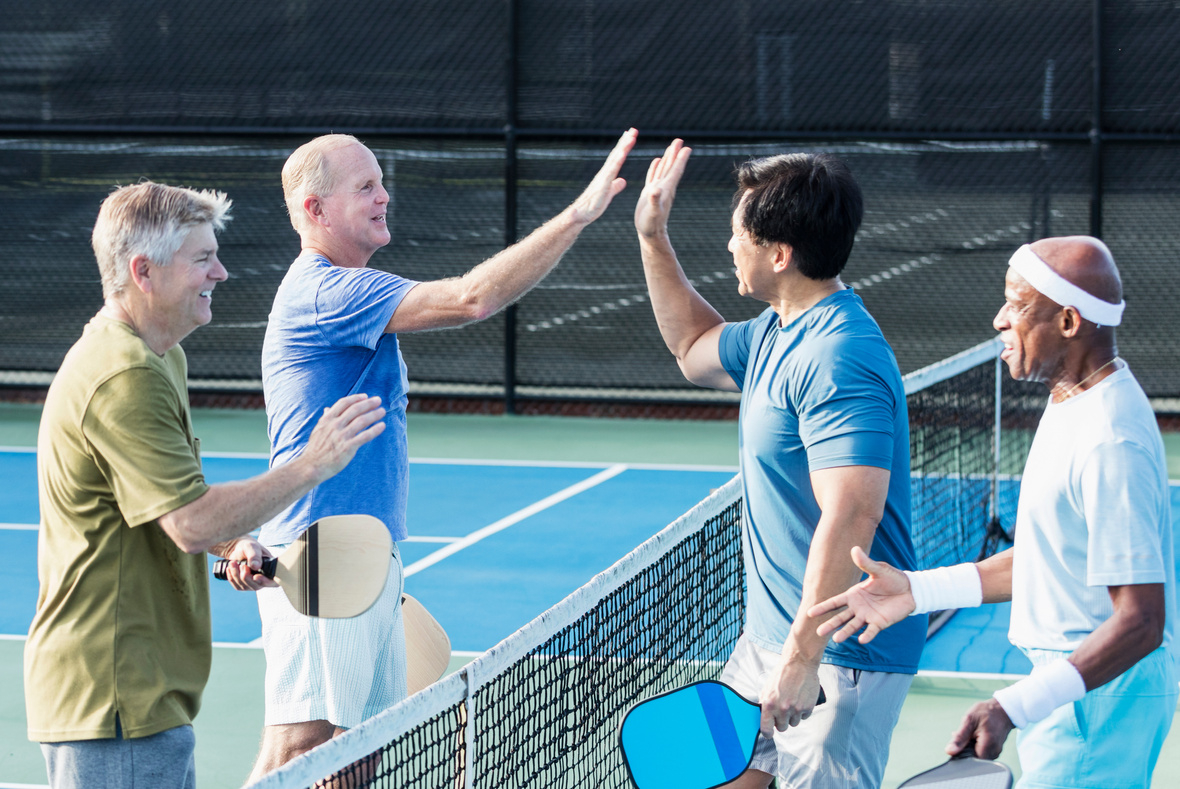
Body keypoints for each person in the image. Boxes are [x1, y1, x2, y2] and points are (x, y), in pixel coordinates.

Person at [248, 129, 638, 779]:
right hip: (321, 554)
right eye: (365, 186)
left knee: (354, 760)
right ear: (315, 211)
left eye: (381, 182)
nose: (384, 195)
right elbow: (470, 298)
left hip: (363, 554)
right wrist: (576, 215)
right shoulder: (326, 291)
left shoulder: (350, 288)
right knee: (299, 751)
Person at [24, 182, 387, 789]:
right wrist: (312, 464)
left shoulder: (161, 357)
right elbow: (190, 522)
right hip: (114, 699)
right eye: (201, 259)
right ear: (144, 271)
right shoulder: (122, 376)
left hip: (146, 694)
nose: (220, 272)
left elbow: (167, 500)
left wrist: (233, 543)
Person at [809, 236, 1175, 789]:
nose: (1000, 319)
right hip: (1082, 690)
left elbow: (1142, 621)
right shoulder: (1071, 399)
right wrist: (915, 592)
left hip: (1100, 700)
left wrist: (1014, 705)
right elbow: (1049, 560)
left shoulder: (1109, 440)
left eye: (1017, 305)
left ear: (1069, 322)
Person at [633, 140, 925, 788]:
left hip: (840, 655)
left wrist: (803, 653)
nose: (730, 245)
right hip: (768, 642)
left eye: (739, 233)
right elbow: (690, 345)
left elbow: (851, 510)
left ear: (780, 254)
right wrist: (653, 237)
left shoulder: (838, 354)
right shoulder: (775, 330)